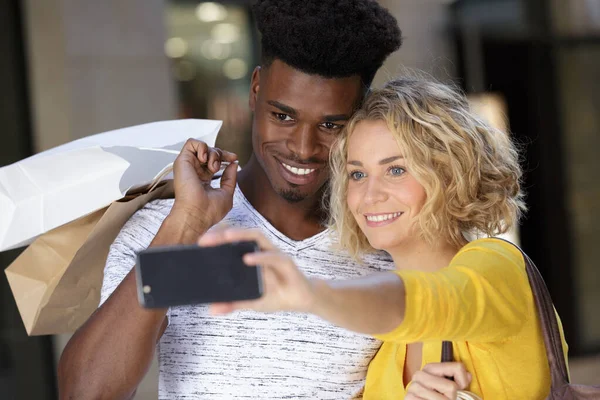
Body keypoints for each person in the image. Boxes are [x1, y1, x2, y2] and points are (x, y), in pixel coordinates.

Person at [57, 1, 403, 399]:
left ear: (359, 115)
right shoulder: (167, 230)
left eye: (331, 125)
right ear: (255, 90)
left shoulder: (383, 237)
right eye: (283, 116)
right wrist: (185, 226)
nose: (303, 148)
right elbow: (87, 393)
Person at [198, 76, 570, 399]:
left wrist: (312, 294)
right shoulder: (383, 354)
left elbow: (429, 302)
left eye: (395, 169)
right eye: (357, 174)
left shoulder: (496, 269)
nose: (369, 195)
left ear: (451, 174)